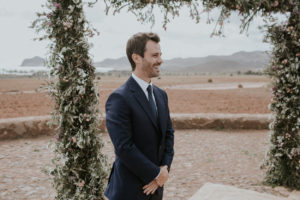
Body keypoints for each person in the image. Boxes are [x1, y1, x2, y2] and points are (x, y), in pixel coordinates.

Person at [104, 32, 175, 200]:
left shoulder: (161, 95)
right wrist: (156, 174)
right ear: (136, 58)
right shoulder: (119, 98)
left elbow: (168, 134)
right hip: (129, 191)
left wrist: (164, 170)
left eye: (160, 54)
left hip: (156, 189)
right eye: (155, 55)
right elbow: (123, 147)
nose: (160, 60)